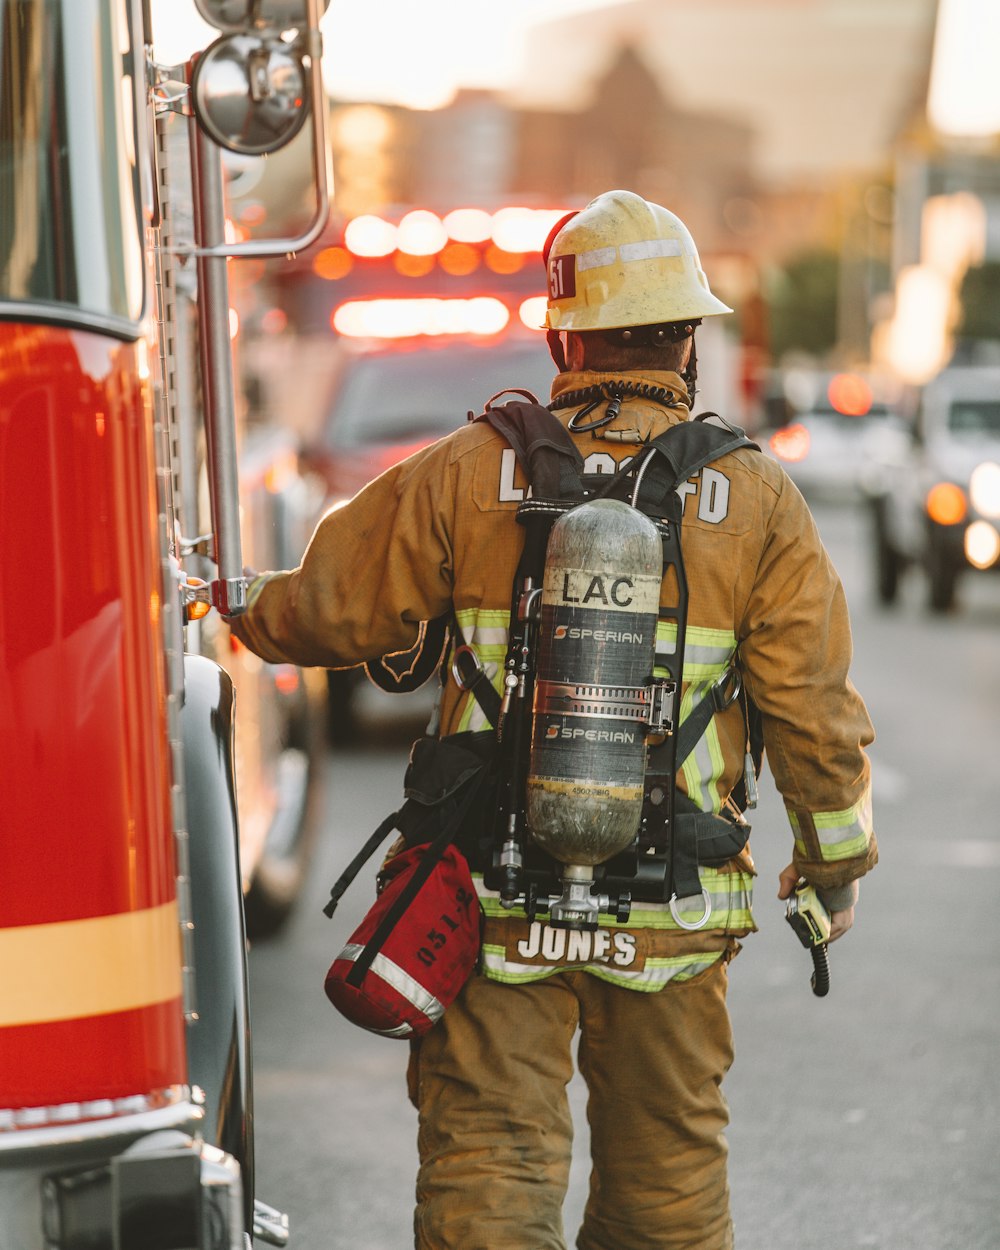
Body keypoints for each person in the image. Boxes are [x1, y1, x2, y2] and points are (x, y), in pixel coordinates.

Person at [228, 189, 877, 1250]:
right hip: (674, 910)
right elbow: (813, 715)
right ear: (684, 337)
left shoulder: (463, 469)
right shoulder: (756, 499)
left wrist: (224, 601)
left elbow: (330, 609)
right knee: (665, 1183)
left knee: (490, 1157)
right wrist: (831, 865)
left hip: (490, 902)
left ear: (561, 332)